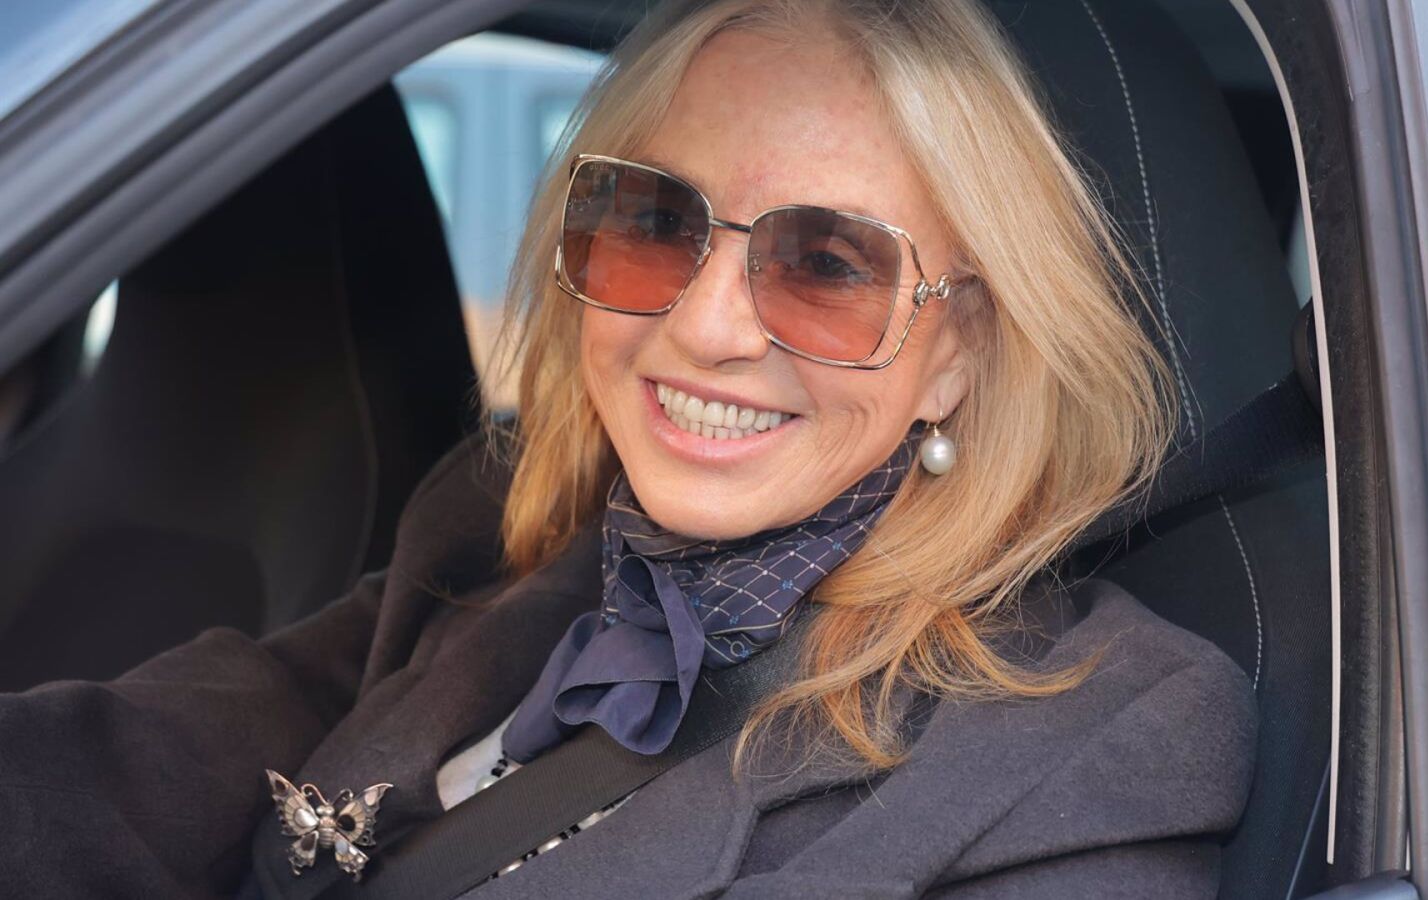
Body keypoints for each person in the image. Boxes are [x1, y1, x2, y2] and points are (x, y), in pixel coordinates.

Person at [0, 0, 1256, 896]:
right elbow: (151, 757)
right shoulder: (496, 541)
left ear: (962, 352)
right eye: (652, 221)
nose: (703, 329)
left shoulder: (1095, 748)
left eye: (827, 266)